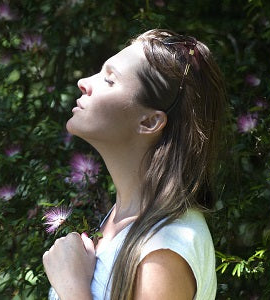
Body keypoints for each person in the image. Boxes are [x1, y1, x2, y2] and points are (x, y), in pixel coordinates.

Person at [43, 29, 226, 300]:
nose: (83, 82)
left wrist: (72, 287)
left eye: (109, 80)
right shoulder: (120, 222)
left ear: (149, 122)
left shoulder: (164, 249)